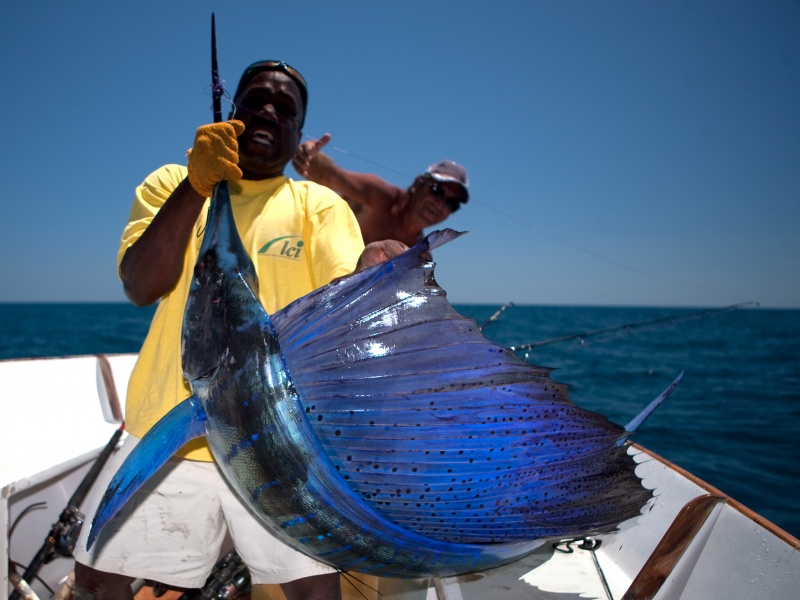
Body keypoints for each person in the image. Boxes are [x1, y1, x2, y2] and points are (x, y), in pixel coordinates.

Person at [72, 60, 405, 600]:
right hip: (172, 428)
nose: (269, 110)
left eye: (286, 108)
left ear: (299, 134)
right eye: (255, 99)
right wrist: (195, 186)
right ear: (232, 111)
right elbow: (141, 284)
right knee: (97, 582)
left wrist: (373, 277)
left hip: (281, 438)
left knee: (315, 594)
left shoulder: (317, 204)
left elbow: (344, 305)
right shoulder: (170, 184)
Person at [293, 134, 469, 247]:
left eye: (451, 203)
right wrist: (307, 156)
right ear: (417, 184)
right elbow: (329, 175)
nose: (440, 205)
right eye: (437, 191)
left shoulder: (419, 254)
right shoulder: (379, 196)